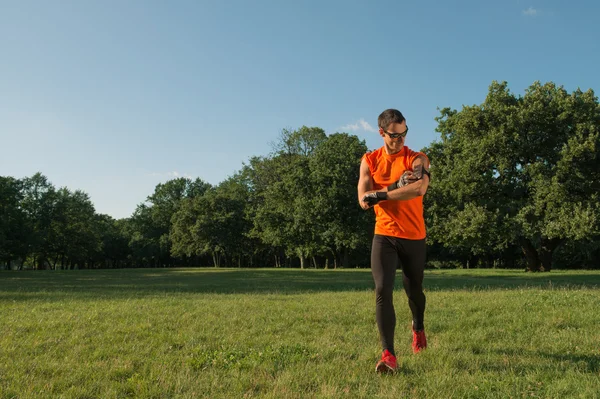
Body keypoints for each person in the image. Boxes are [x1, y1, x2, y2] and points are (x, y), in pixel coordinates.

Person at [357, 109, 430, 373]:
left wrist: (382, 196)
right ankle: (388, 354)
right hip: (384, 234)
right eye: (393, 136)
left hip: (413, 235)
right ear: (381, 133)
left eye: (403, 134)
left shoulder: (417, 159)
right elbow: (363, 200)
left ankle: (418, 327)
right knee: (382, 290)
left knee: (414, 292)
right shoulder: (370, 160)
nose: (399, 140)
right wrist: (390, 189)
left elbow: (419, 188)